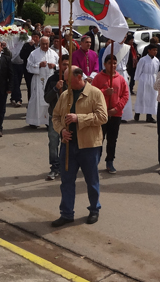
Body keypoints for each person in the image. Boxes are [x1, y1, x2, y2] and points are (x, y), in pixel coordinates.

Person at [50, 66, 108, 227]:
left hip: (89, 145)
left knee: (91, 180)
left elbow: (103, 117)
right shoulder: (64, 95)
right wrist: (61, 131)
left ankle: (94, 209)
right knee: (67, 181)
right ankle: (67, 213)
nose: (67, 84)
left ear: (79, 77)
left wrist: (79, 118)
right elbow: (55, 116)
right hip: (68, 146)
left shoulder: (95, 93)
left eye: (69, 81)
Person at [92, 55, 130, 174]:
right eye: (110, 63)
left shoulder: (120, 79)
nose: (113, 65)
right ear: (104, 64)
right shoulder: (98, 78)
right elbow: (92, 94)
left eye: (114, 63)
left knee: (112, 139)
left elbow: (125, 95)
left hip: (115, 114)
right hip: (101, 114)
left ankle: (110, 161)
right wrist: (104, 92)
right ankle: (95, 161)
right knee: (99, 139)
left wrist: (117, 108)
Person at [43, 54, 70, 180]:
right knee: (53, 142)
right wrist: (55, 88)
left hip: (68, 117)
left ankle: (65, 166)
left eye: (68, 64)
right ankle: (54, 167)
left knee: (67, 143)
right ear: (59, 64)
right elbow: (47, 98)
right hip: (54, 117)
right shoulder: (53, 79)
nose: (66, 67)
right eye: (64, 64)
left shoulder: (73, 79)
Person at [26, 36, 60, 127]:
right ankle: (34, 121)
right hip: (38, 80)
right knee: (36, 100)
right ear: (40, 44)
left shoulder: (54, 54)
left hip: (50, 80)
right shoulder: (34, 54)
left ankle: (48, 122)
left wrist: (55, 66)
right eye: (43, 44)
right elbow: (28, 67)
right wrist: (39, 65)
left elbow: (60, 65)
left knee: (49, 100)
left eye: (47, 44)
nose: (45, 45)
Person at [101, 38, 134, 123]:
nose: (123, 38)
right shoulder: (111, 46)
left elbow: (126, 61)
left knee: (124, 94)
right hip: (113, 72)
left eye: (125, 37)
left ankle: (123, 115)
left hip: (122, 72)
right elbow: (104, 59)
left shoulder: (127, 47)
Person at [134, 44, 160, 123]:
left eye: (156, 50)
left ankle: (149, 116)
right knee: (142, 97)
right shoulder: (143, 60)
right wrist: (137, 78)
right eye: (153, 50)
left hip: (153, 79)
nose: (155, 52)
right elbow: (138, 70)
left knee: (152, 98)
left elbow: (157, 71)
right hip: (144, 79)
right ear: (149, 50)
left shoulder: (156, 60)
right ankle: (137, 113)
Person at [19, 32, 40, 103]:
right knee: (30, 87)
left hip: (39, 70)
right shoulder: (26, 45)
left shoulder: (41, 46)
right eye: (33, 37)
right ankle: (30, 103)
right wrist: (29, 47)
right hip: (29, 71)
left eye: (36, 37)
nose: (35, 39)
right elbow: (22, 56)